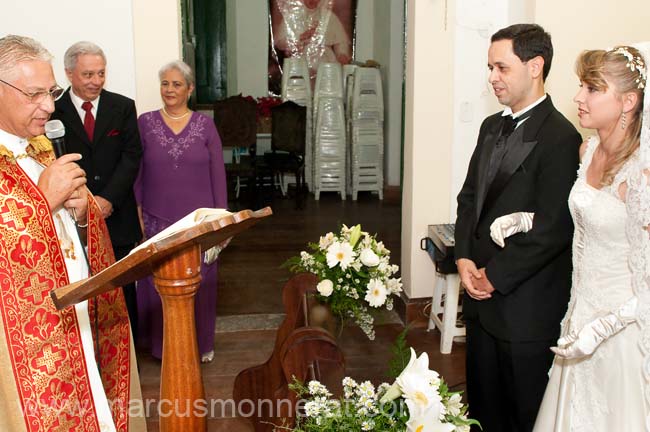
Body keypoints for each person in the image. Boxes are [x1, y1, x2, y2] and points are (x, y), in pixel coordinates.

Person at [0, 35, 145, 431]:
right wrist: (42, 202)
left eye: (50, 92)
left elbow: (70, 237)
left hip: (76, 322)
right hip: (23, 347)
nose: (48, 107)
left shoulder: (44, 147)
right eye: (34, 95)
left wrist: (83, 216)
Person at [454, 24, 582, 431]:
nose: (492, 77)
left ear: (535, 66)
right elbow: (469, 199)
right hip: (478, 298)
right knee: (483, 410)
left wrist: (495, 276)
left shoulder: (561, 138)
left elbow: (554, 229)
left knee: (522, 412)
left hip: (524, 307)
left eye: (502, 68)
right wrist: (462, 258)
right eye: (490, 68)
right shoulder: (491, 126)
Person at [531, 44, 650, 431]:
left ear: (628, 101)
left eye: (592, 88)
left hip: (623, 333)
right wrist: (523, 219)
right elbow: (586, 221)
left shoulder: (642, 175)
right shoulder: (589, 149)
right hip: (578, 315)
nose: (578, 98)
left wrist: (607, 325)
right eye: (581, 86)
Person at [134, 60, 228, 363]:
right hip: (155, 218)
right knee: (159, 283)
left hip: (198, 223)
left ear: (189, 89)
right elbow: (137, 172)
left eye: (176, 84)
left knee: (198, 281)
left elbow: (218, 174)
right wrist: (137, 210)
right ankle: (162, 347)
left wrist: (220, 221)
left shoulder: (205, 125)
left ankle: (198, 345)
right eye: (165, 83)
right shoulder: (145, 122)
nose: (169, 90)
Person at [52, 41, 142, 340]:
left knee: (123, 285)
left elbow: (132, 157)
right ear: (69, 73)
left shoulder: (123, 106)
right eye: (88, 74)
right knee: (84, 282)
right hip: (73, 215)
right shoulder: (53, 112)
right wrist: (86, 202)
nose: (96, 81)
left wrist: (107, 199)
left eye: (101, 74)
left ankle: (127, 351)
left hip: (118, 214)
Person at [274, 0, 352, 80]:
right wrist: (301, 37)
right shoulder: (292, 16)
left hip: (325, 62)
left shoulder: (328, 16)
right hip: (300, 62)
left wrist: (342, 54)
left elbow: (341, 41)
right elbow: (280, 42)